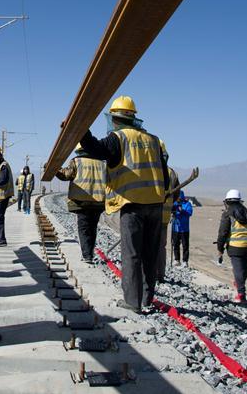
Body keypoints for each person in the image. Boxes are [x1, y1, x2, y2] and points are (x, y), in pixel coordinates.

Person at [80, 95, 169, 314]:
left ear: (115, 118)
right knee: (150, 253)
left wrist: (80, 129)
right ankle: (148, 298)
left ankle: (132, 301)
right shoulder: (154, 140)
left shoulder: (117, 138)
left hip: (132, 205)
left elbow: (95, 149)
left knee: (132, 254)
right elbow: (164, 174)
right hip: (156, 203)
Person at [55, 146, 106, 263]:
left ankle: (87, 255)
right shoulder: (102, 163)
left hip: (82, 201)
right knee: (93, 227)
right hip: (98, 201)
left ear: (79, 150)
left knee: (84, 228)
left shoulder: (77, 161)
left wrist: (54, 170)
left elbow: (66, 175)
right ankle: (90, 254)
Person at [217, 189, 247, 304]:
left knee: (238, 271)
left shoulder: (227, 214)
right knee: (243, 270)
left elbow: (223, 233)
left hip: (235, 247)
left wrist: (220, 249)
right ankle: (240, 285)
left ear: (227, 201)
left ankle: (241, 295)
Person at [157, 164, 179, 283]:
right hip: (164, 216)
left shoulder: (149, 166)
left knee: (146, 245)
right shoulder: (172, 172)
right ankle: (160, 275)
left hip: (148, 214)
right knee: (161, 247)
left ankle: (147, 274)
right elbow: (175, 195)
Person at [171, 191, 193, 265]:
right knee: (175, 244)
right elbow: (171, 211)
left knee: (185, 245)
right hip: (176, 228)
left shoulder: (187, 204)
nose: (179, 199)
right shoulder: (175, 204)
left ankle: (185, 261)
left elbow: (189, 213)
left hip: (184, 229)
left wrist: (182, 211)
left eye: (180, 197)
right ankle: (177, 259)